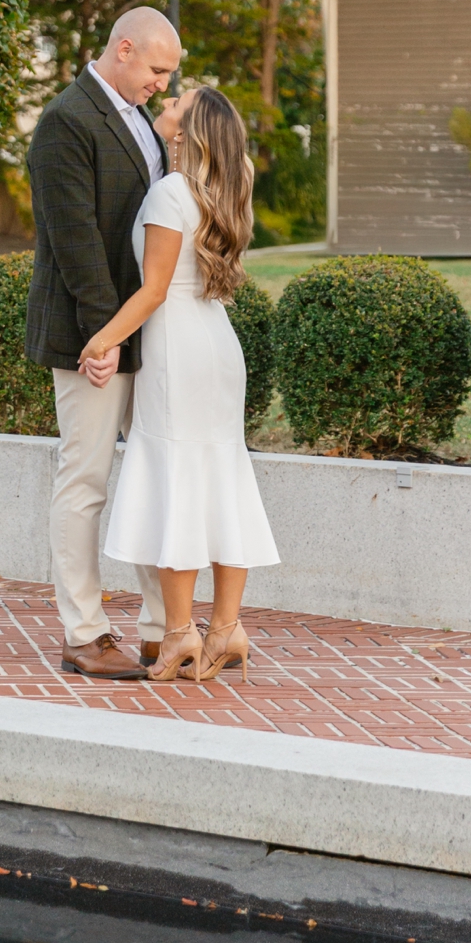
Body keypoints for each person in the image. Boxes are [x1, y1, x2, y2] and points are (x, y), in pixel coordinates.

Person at [90, 85, 280, 682]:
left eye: (179, 99)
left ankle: (179, 636)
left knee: (175, 482)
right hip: (218, 344)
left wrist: (102, 339)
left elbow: (152, 289)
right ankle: (226, 628)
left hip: (176, 350)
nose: (168, 99)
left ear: (187, 131)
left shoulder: (172, 192)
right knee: (221, 479)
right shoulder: (229, 188)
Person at [25, 6, 181, 680]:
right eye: (156, 70)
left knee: (148, 475)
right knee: (84, 479)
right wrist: (104, 337)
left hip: (139, 331)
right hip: (92, 335)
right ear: (123, 50)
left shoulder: (137, 119)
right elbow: (77, 241)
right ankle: (83, 631)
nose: (163, 85)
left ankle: (159, 627)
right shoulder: (66, 121)